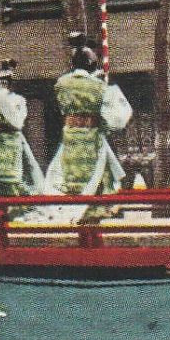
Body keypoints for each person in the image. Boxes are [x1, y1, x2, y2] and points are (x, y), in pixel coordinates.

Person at [39, 33, 131, 222]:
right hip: (91, 136)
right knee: (94, 175)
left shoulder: (61, 84)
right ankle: (91, 215)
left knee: (69, 173)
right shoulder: (99, 86)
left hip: (70, 137)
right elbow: (117, 119)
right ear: (92, 64)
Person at [0, 59, 45, 198]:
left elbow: (16, 122)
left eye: (5, 82)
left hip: (12, 144)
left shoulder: (18, 100)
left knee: (13, 181)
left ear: (11, 84)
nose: (2, 85)